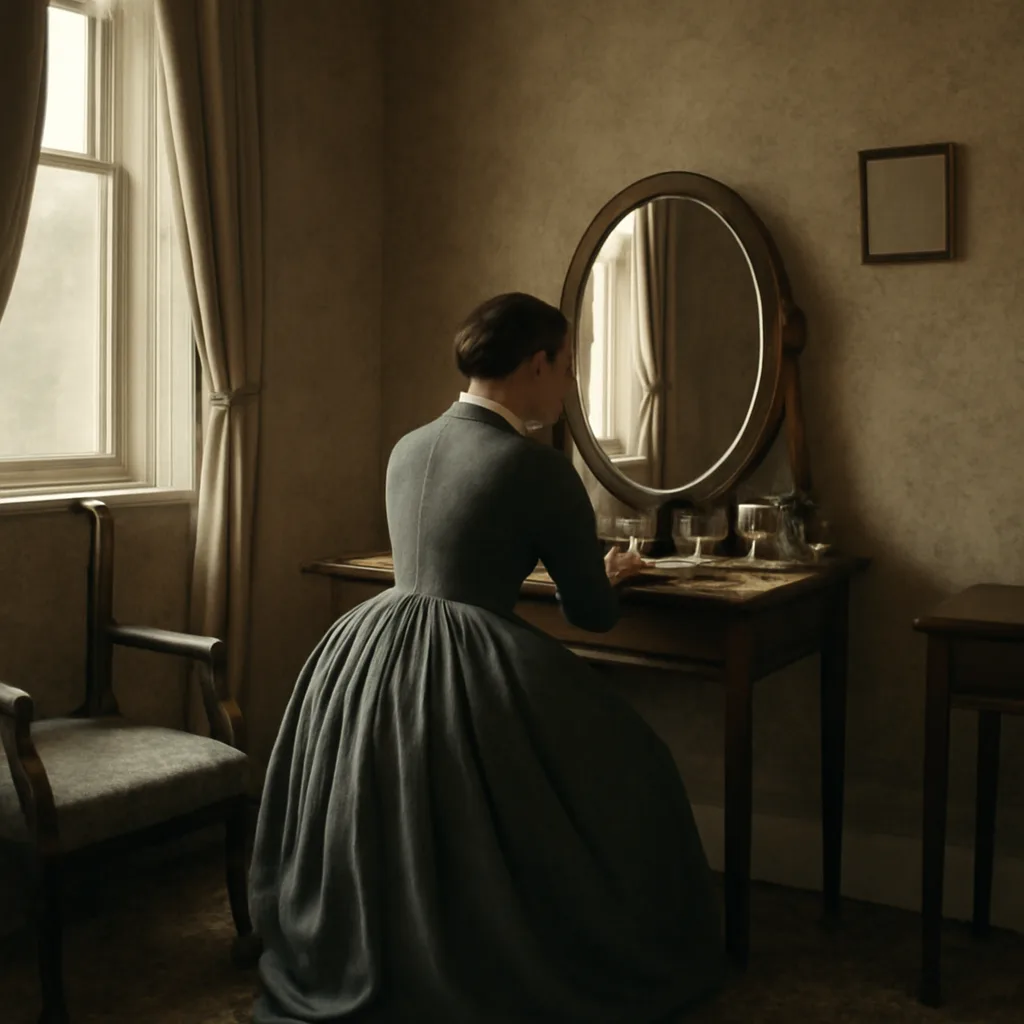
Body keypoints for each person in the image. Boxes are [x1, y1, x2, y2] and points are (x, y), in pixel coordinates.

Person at [249, 293, 725, 1023]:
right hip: (469, 658)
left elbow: (452, 550)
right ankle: (591, 941)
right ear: (536, 363)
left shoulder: (408, 445)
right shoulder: (536, 469)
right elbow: (589, 614)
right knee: (640, 764)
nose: (567, 385)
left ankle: (392, 937)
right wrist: (614, 574)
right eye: (566, 367)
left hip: (374, 648)